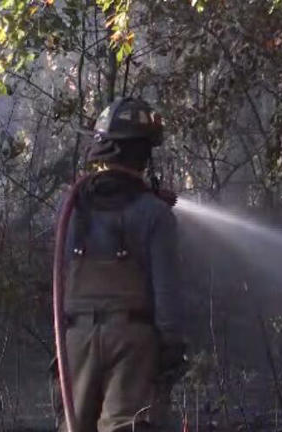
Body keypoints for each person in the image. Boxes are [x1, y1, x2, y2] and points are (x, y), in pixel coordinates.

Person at [59, 97, 185, 432]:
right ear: (144, 153)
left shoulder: (74, 208)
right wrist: (171, 345)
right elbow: (166, 289)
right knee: (125, 426)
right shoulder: (155, 214)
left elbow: (61, 276)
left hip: (77, 337)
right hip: (133, 338)